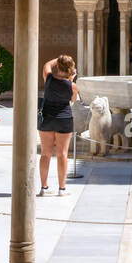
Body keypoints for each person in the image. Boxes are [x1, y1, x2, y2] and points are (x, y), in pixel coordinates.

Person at [39, 54, 78, 195]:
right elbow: (72, 100)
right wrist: (71, 79)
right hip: (64, 119)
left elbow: (46, 65)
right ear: (70, 68)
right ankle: (62, 189)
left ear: (58, 66)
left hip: (47, 118)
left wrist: (59, 59)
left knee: (45, 154)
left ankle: (44, 188)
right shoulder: (73, 86)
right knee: (62, 154)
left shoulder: (48, 79)